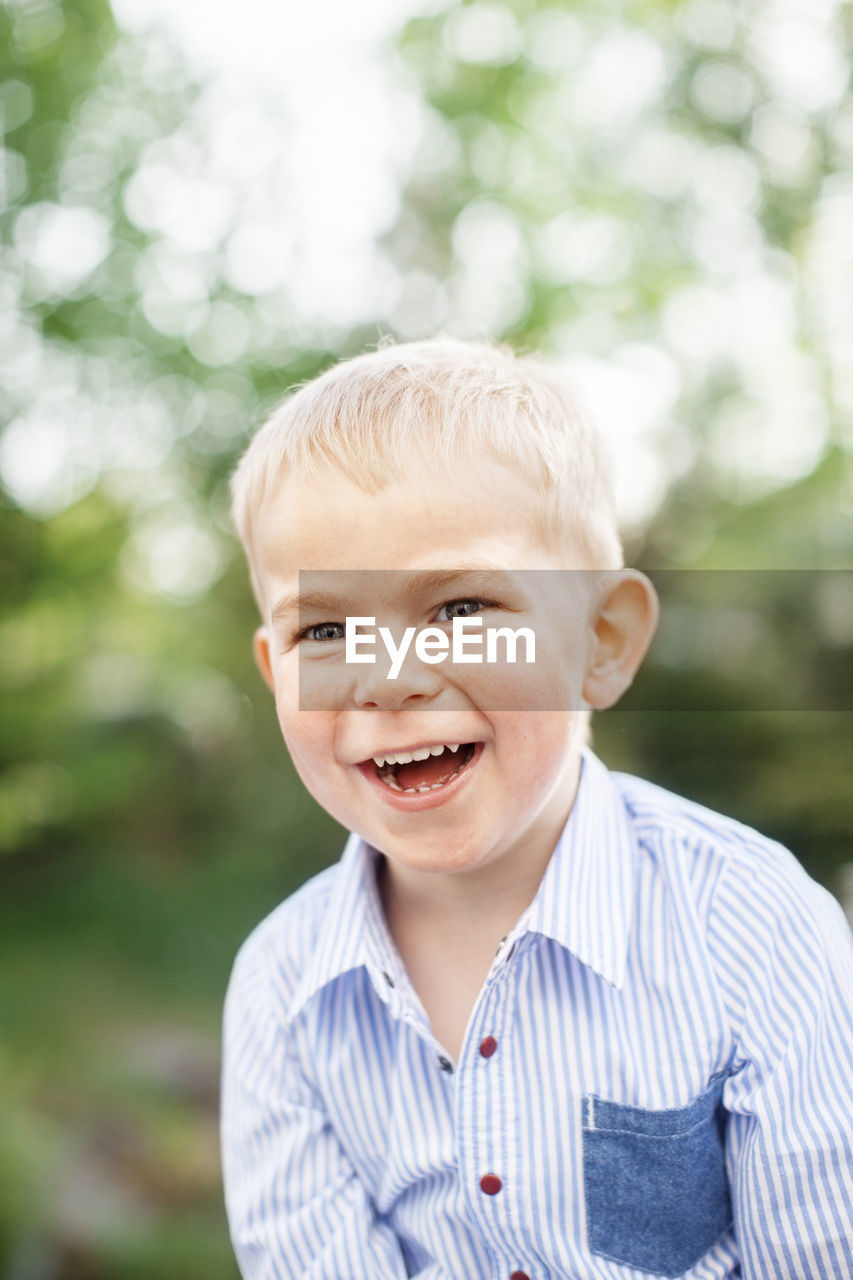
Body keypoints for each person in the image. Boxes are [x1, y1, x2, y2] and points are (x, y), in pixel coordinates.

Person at [220, 338, 853, 1279]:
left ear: (601, 642)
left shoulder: (753, 928)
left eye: (462, 610)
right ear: (276, 672)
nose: (387, 681)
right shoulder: (282, 990)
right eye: (326, 629)